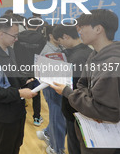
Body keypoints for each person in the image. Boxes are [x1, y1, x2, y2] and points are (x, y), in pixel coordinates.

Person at [51, 9, 120, 154]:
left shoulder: (113, 62)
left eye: (82, 27)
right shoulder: (94, 55)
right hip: (91, 131)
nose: (79, 31)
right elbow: (82, 84)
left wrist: (68, 92)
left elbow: (106, 110)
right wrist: (89, 100)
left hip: (106, 141)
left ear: (98, 29)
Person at [0, 15, 37, 154]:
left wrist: (25, 81)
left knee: (16, 144)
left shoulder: (9, 50)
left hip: (18, 109)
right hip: (4, 114)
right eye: (14, 36)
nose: (16, 39)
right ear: (1, 34)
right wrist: (19, 93)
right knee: (5, 148)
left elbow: (14, 72)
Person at [52, 24, 92, 154]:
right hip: (84, 109)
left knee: (75, 147)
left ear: (65, 36)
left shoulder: (76, 58)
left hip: (75, 111)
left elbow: (74, 87)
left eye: (60, 41)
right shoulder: (88, 52)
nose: (61, 45)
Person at [36, 25, 66, 154]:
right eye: (59, 35)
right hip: (52, 88)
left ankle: (46, 133)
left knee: (58, 116)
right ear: (51, 36)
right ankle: (55, 148)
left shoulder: (58, 48)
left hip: (56, 86)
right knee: (57, 117)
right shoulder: (48, 52)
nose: (62, 37)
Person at [13, 17, 46, 126]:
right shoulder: (42, 39)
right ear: (37, 26)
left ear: (26, 24)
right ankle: (36, 117)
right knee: (36, 92)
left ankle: (19, 114)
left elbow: (14, 53)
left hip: (21, 68)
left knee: (21, 90)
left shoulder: (18, 37)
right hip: (36, 69)